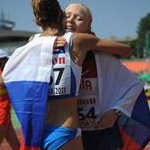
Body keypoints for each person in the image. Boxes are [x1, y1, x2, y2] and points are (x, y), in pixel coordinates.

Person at [54, 3, 149, 150]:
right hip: (66, 133)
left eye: (78, 18)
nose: (71, 20)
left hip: (101, 132)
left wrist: (116, 111)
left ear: (88, 27)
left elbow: (134, 86)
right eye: (67, 16)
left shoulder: (103, 58)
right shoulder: (52, 52)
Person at [0, 49, 20, 150]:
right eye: (5, 59)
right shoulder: (4, 74)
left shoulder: (5, 72)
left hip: (6, 113)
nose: (8, 61)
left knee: (17, 146)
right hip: (1, 114)